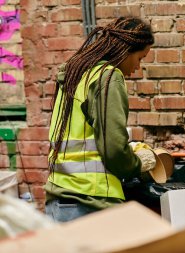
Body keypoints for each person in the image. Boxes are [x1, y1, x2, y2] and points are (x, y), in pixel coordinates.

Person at [45, 16, 155, 222]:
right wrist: (138, 165)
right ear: (126, 50)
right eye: (140, 58)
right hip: (92, 203)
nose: (138, 66)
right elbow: (113, 148)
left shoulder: (76, 74)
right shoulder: (108, 77)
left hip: (59, 201)